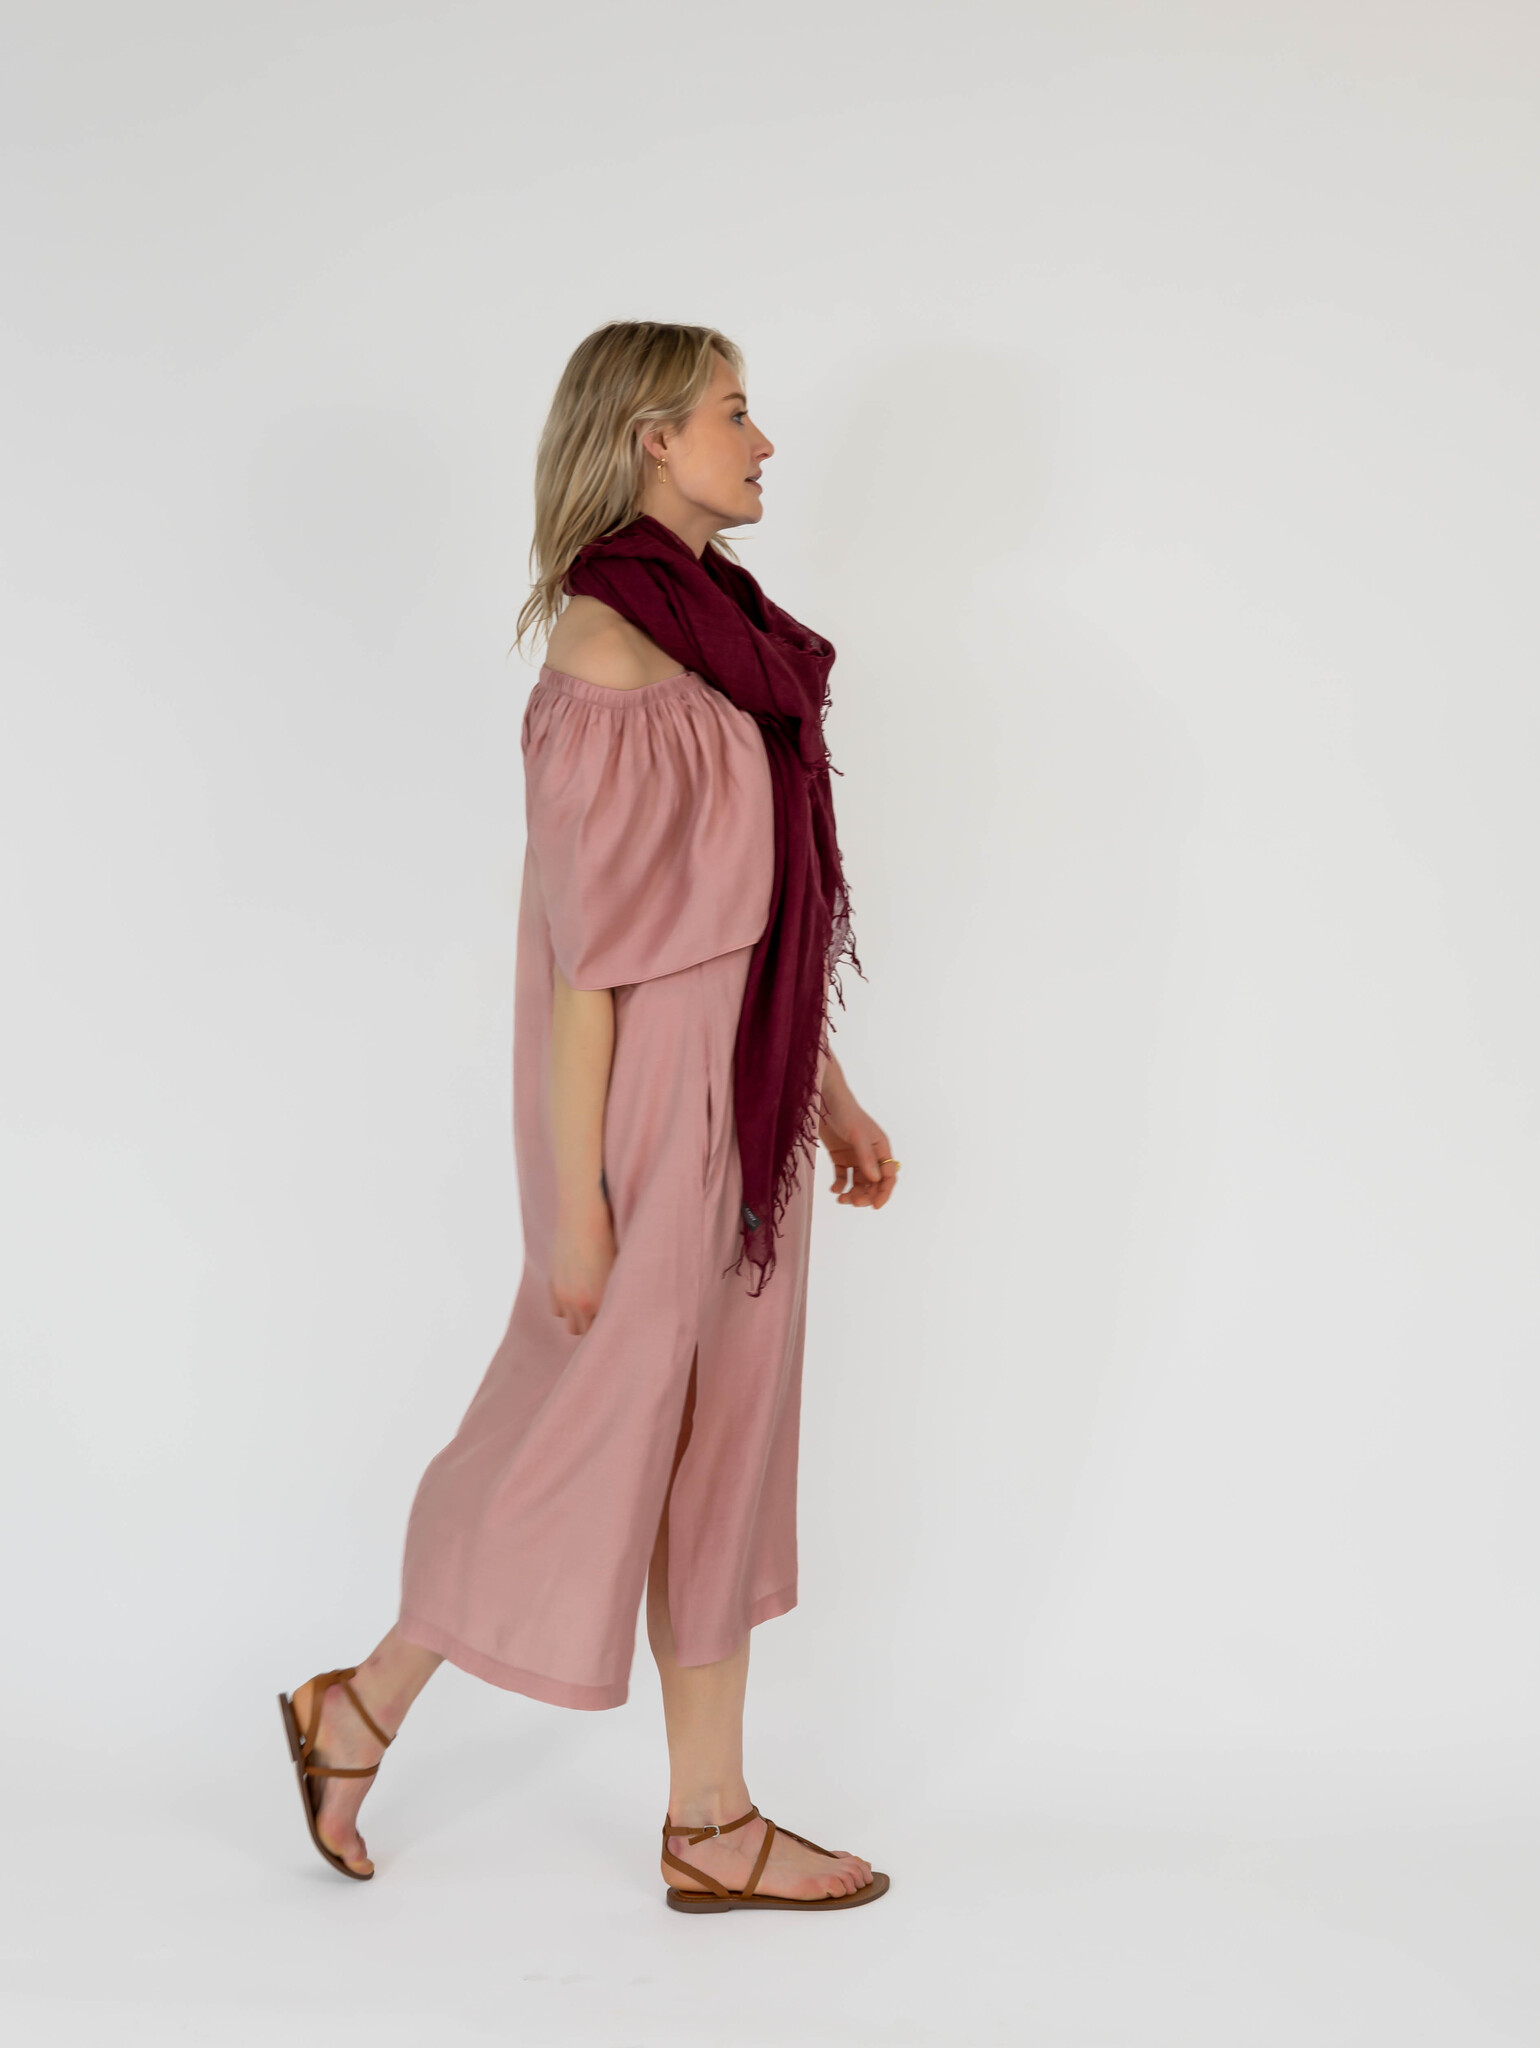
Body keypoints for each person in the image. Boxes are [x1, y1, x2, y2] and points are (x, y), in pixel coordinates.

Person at [279, 323, 900, 1913]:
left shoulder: (724, 630)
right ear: (648, 437)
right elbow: (585, 970)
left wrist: (825, 1091)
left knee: (724, 1434)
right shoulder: (607, 647)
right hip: (648, 1107)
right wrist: (576, 1206)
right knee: (583, 1427)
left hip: (750, 1093)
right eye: (734, 412)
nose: (764, 441)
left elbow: (756, 909)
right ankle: (362, 1702)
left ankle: (708, 1820)